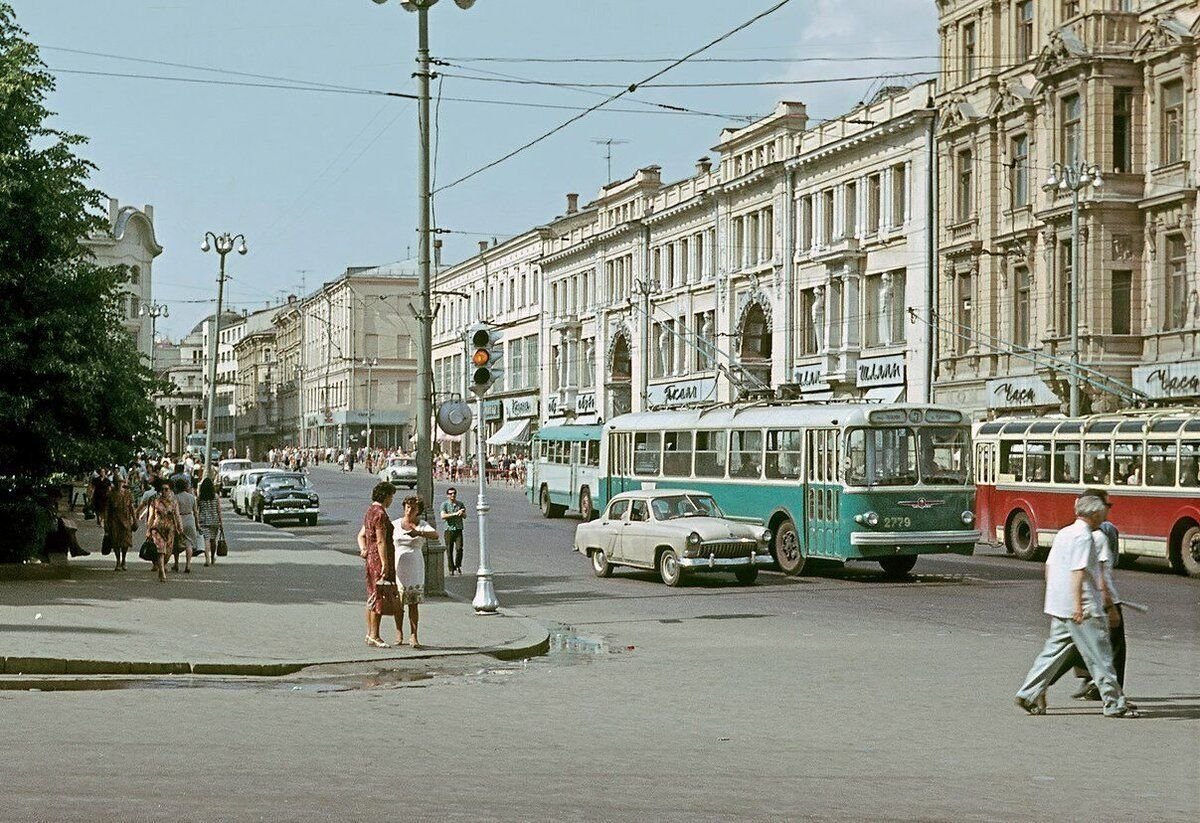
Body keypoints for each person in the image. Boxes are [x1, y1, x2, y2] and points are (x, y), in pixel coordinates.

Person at [1014, 494, 1136, 718]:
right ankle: (1114, 703)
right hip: (1083, 606)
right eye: (1102, 512)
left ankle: (1029, 692)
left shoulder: (1064, 533)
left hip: (1059, 605)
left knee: (1052, 653)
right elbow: (1078, 572)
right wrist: (1078, 605)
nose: (1104, 516)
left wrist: (1056, 597)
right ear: (1094, 513)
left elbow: (1050, 567)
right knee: (1101, 656)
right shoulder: (1084, 537)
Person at [1046, 489, 1127, 701]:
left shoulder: (1068, 532)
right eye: (1106, 506)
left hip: (1074, 601)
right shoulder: (1101, 535)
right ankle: (1111, 697)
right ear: (1097, 509)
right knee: (1109, 651)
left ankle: (1040, 685)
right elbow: (1100, 575)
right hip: (1095, 601)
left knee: (1072, 647)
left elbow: (1052, 568)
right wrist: (1109, 605)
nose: (1108, 510)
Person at [392, 496, 438, 648]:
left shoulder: (422, 525)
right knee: (398, 603)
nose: (409, 510)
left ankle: (414, 635)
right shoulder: (396, 524)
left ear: (418, 511)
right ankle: (399, 632)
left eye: (412, 508)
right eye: (407, 506)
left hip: (415, 565)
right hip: (398, 564)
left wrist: (418, 533)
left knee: (413, 603)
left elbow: (435, 535)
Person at [357, 481, 399, 648]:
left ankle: (369, 633)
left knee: (372, 595)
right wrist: (385, 563)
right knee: (379, 595)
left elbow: (361, 535)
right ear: (386, 496)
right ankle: (375, 635)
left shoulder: (369, 511)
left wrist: (364, 550)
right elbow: (381, 540)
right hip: (378, 557)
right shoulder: (380, 513)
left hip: (370, 557)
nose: (391, 500)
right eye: (391, 496)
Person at [146, 479, 183, 583]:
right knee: (160, 550)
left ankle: (162, 565)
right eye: (162, 489)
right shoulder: (155, 502)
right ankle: (162, 572)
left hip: (170, 530)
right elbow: (151, 516)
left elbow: (177, 515)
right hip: (157, 528)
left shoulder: (174, 502)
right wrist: (148, 530)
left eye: (166, 489)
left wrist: (180, 527)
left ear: (170, 490)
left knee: (168, 551)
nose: (164, 491)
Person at [104, 478, 136, 571]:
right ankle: (118, 560)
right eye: (118, 482)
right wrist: (106, 522)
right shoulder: (111, 494)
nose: (120, 484)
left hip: (126, 521)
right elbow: (107, 509)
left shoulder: (128, 494)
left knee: (125, 541)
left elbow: (131, 507)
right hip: (115, 520)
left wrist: (135, 519)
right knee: (115, 541)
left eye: (121, 482)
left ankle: (124, 560)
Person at [172, 477, 199, 573]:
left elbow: (174, 512)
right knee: (189, 543)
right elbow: (195, 512)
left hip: (179, 520)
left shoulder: (175, 497)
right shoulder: (192, 497)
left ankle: (176, 564)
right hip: (190, 519)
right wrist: (197, 524)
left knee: (176, 544)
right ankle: (188, 565)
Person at [196, 477, 223, 567]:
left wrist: (197, 521)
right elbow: (218, 510)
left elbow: (197, 509)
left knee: (206, 540)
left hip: (203, 520)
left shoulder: (200, 497)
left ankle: (207, 559)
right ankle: (212, 557)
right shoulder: (215, 496)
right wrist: (220, 522)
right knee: (213, 540)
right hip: (214, 520)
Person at [440, 487, 467, 575]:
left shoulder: (460, 504)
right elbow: (443, 516)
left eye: (454, 493)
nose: (453, 495)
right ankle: (451, 568)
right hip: (449, 529)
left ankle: (458, 564)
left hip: (458, 529)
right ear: (447, 495)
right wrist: (455, 514)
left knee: (459, 548)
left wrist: (461, 513)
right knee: (449, 549)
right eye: (451, 494)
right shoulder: (444, 504)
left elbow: (465, 516)